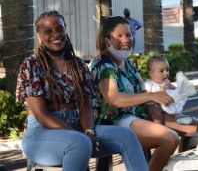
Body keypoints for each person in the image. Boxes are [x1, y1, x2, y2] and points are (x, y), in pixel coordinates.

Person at [16, 11, 148, 171]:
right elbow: (41, 115)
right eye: (48, 31)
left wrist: (89, 131)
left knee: (127, 136)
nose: (56, 34)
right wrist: (80, 136)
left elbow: (86, 104)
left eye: (60, 29)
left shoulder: (77, 64)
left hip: (78, 127)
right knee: (80, 143)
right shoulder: (31, 65)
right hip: (42, 134)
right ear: (39, 36)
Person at [89, 16, 179, 171]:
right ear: (107, 40)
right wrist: (151, 96)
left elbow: (142, 91)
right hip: (114, 121)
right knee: (170, 138)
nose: (126, 39)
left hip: (135, 116)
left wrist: (156, 114)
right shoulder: (104, 64)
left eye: (129, 34)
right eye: (120, 36)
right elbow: (114, 99)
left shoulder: (128, 63)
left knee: (191, 126)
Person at [144, 55, 198, 137]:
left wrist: (178, 90)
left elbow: (174, 90)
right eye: (161, 71)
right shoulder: (148, 84)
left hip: (166, 106)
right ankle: (159, 130)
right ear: (151, 73)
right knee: (155, 114)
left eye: (167, 70)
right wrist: (162, 88)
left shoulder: (166, 82)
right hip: (154, 106)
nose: (166, 73)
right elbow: (148, 97)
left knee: (176, 110)